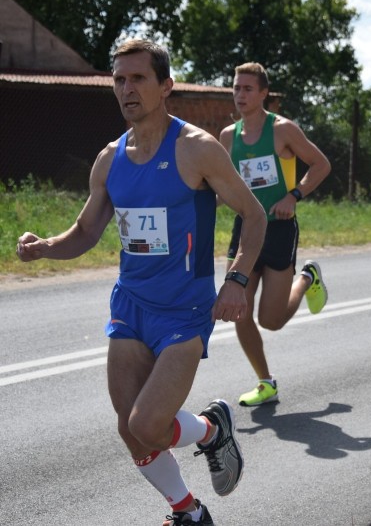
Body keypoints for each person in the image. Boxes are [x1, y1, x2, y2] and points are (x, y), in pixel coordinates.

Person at [16, 40, 267, 525]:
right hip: (130, 305)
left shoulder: (196, 149)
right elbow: (87, 231)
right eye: (119, 79)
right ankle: (188, 511)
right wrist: (47, 245)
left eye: (138, 79)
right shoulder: (110, 159)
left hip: (185, 310)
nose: (127, 88)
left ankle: (211, 429)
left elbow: (253, 217)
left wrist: (236, 279)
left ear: (165, 86)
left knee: (149, 424)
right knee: (130, 430)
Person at [220, 62, 331, 407]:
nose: (240, 95)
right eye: (236, 88)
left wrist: (293, 196)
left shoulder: (282, 130)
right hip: (245, 229)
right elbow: (220, 180)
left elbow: (321, 164)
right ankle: (265, 382)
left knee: (271, 320)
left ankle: (307, 279)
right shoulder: (227, 136)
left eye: (247, 89)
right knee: (237, 309)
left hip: (280, 229)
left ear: (264, 93)